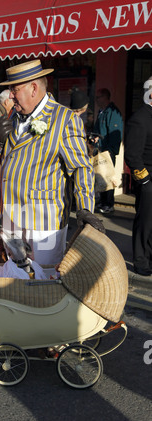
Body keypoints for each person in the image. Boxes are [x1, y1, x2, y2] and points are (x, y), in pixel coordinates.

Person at [0, 60, 104, 270]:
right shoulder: (13, 117)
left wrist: (85, 209)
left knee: (43, 282)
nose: (11, 96)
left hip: (43, 223)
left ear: (34, 88)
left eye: (15, 89)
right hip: (10, 217)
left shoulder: (65, 118)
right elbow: (8, 162)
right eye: (10, 90)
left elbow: (80, 167)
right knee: (13, 281)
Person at [124, 77, 152, 276]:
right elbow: (132, 155)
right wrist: (145, 181)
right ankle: (141, 259)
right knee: (145, 222)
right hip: (149, 179)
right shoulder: (140, 118)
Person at [93, 88, 123, 214]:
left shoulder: (112, 112)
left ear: (105, 97)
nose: (96, 100)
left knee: (108, 177)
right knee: (100, 176)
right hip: (100, 150)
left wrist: (110, 151)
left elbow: (115, 133)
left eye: (98, 97)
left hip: (107, 151)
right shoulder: (102, 111)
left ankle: (108, 204)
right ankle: (101, 202)